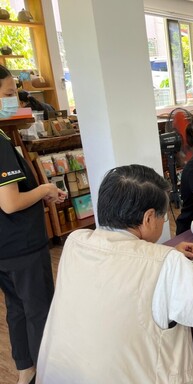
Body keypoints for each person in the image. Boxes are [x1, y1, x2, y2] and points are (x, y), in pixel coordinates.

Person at [37, 164, 193, 384]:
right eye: (163, 218)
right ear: (148, 217)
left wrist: (162, 253)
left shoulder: (75, 243)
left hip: (60, 376)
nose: (163, 223)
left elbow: (117, 265)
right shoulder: (167, 264)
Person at [0, 65, 66, 384]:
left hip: (4, 248)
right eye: (10, 94)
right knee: (39, 309)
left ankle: (26, 370)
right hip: (21, 244)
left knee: (17, 308)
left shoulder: (4, 135)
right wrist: (42, 190)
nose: (16, 100)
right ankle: (49, 374)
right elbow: (10, 202)